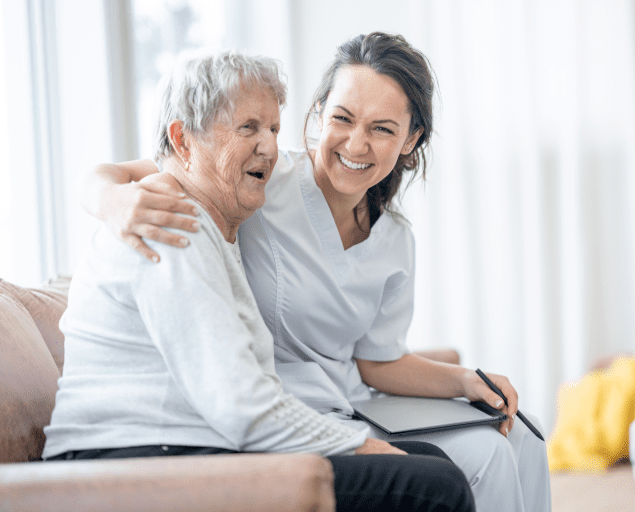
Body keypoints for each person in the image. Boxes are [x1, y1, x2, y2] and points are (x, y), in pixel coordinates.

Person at [81, 33, 552, 512]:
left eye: (383, 129)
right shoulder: (257, 181)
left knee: (523, 438)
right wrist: (110, 200)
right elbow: (162, 167)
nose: (357, 143)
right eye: (342, 118)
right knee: (478, 460)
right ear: (320, 113)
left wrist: (465, 381)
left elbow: (377, 360)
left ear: (411, 139)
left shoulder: (392, 239)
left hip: (347, 405)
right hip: (277, 414)